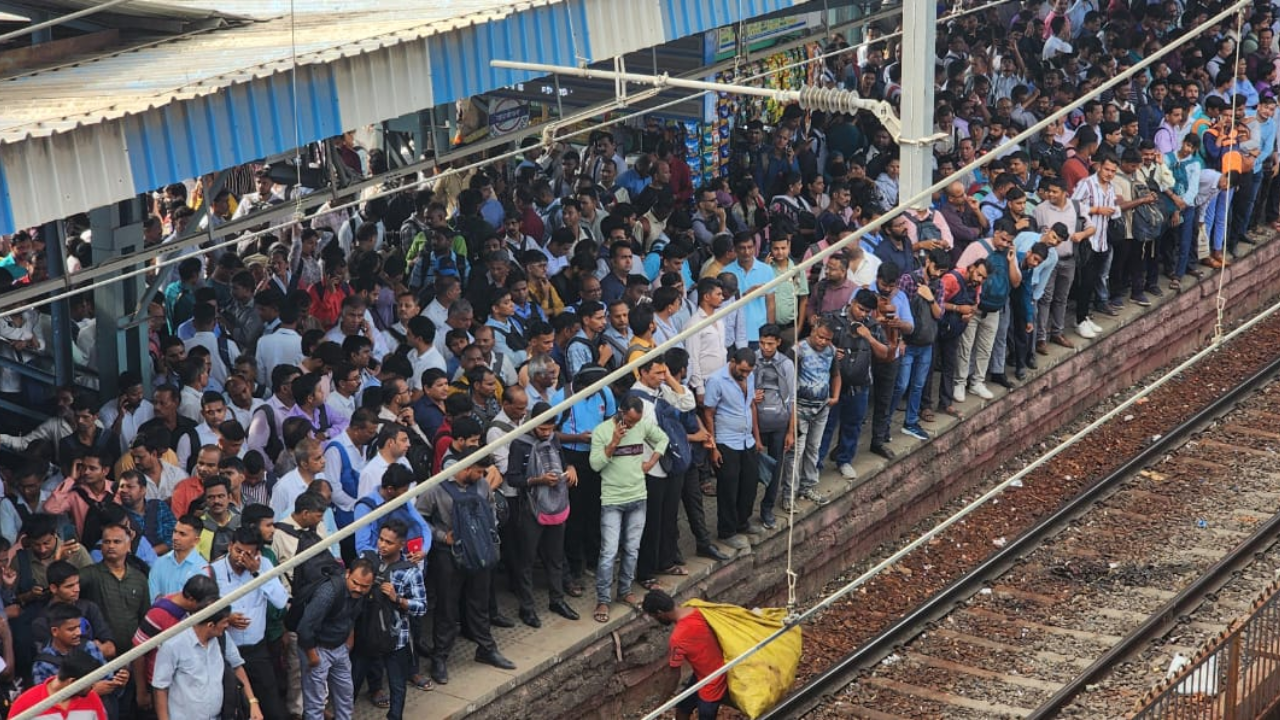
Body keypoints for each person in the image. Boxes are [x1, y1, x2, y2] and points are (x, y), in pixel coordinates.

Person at [417, 447, 516, 684]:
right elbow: (418, 518)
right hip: (448, 555)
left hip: (480, 551)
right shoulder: (435, 487)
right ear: (467, 467)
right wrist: (441, 536)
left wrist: (489, 531)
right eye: (480, 471)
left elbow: (491, 505)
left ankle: (486, 648)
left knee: (479, 602)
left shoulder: (481, 485)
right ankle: (440, 658)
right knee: (447, 608)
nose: (483, 476)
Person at [590, 395, 668, 623]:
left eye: (637, 421)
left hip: (638, 496)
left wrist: (651, 463)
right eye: (630, 421)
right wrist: (613, 443)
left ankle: (625, 591)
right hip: (612, 499)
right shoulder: (602, 431)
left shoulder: (642, 425)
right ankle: (603, 599)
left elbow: (662, 439)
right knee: (609, 552)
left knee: (632, 549)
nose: (633, 425)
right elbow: (595, 465)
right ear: (621, 412)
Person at [504, 402, 579, 627]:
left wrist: (571, 468)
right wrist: (539, 480)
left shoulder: (554, 439)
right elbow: (513, 479)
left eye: (549, 429)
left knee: (555, 558)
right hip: (530, 509)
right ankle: (527, 608)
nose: (545, 433)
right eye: (542, 429)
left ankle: (557, 600)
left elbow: (563, 462)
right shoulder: (519, 443)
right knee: (526, 559)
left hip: (557, 505)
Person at [350, 519, 430, 718]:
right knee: (351, 683)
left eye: (389, 542)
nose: (383, 545)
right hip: (366, 632)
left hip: (395, 637)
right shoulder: (367, 560)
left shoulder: (410, 571)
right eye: (381, 539)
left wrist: (399, 599)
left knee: (397, 685)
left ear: (401, 544)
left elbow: (421, 607)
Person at [208, 526, 289, 720]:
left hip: (257, 650)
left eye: (248, 554)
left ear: (257, 553)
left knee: (273, 709)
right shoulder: (212, 570)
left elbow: (280, 601)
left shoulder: (264, 565)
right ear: (229, 546)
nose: (241, 558)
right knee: (233, 708)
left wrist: (257, 573)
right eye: (238, 551)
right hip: (225, 651)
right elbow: (204, 611)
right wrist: (227, 618)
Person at [152, 605, 264, 720]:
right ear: (210, 625)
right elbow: (160, 688)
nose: (227, 625)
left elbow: (237, 667)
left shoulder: (223, 638)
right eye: (224, 622)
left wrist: (252, 702)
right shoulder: (173, 645)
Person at [132, 574, 221, 713]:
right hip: (159, 685)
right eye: (204, 606)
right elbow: (138, 653)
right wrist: (141, 691)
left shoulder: (191, 612)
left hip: (184, 685)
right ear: (191, 599)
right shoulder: (159, 614)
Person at [702, 350, 761, 552]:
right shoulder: (716, 380)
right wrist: (713, 446)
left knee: (750, 484)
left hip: (747, 440)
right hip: (726, 441)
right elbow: (708, 413)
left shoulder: (750, 376)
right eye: (742, 370)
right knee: (728, 488)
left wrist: (757, 438)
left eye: (748, 371)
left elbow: (751, 406)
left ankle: (742, 522)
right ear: (733, 362)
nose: (745, 374)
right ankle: (727, 531)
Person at [779, 317, 840, 512]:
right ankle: (788, 495)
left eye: (827, 339)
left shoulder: (831, 351)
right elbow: (786, 382)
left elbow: (836, 374)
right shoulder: (798, 351)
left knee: (814, 448)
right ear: (813, 330)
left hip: (822, 408)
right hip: (800, 410)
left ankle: (807, 486)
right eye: (820, 337)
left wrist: (835, 396)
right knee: (795, 453)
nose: (823, 342)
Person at [642, 589, 727, 720]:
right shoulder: (695, 608)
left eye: (654, 617)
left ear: (659, 613)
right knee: (683, 707)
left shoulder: (678, 638)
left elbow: (674, 677)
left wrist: (659, 707)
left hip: (714, 680)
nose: (656, 620)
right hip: (705, 672)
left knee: (705, 714)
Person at [9, 648, 110, 720]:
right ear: (72, 682)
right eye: (90, 683)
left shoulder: (92, 698)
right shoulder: (25, 703)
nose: (93, 687)